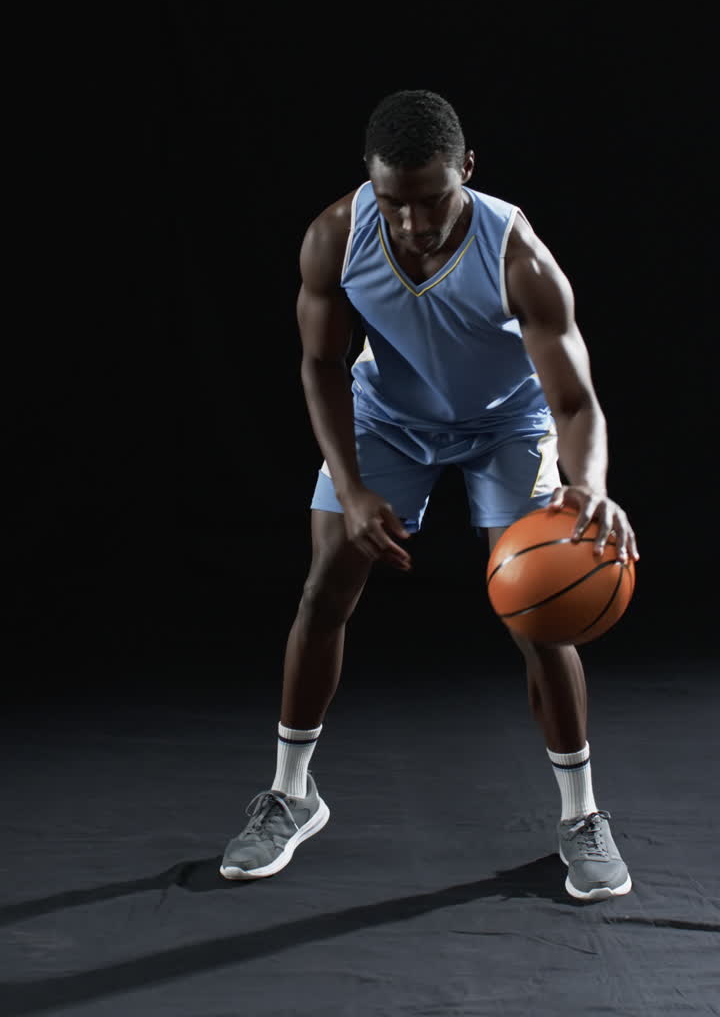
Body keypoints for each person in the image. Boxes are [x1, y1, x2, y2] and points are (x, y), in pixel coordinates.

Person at [220, 89, 640, 901]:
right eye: (395, 201)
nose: (414, 223)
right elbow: (320, 367)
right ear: (370, 183)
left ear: (468, 171)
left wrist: (587, 485)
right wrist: (350, 485)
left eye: (433, 199)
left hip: (507, 424)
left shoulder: (518, 254)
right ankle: (292, 794)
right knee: (323, 588)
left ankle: (582, 816)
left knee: (540, 609)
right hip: (390, 416)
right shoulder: (334, 238)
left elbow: (574, 401)